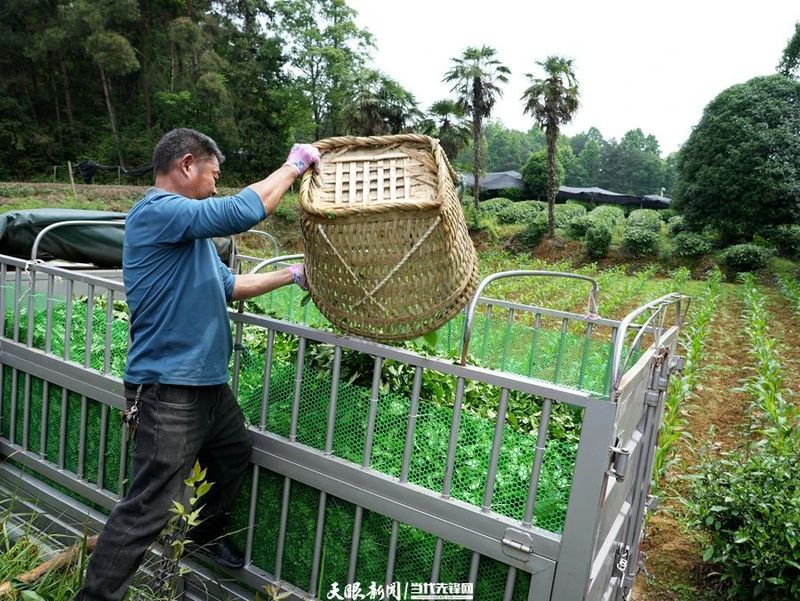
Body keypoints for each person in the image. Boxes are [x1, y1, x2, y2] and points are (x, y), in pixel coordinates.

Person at [75, 128, 320, 601]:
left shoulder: (188, 236)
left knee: (231, 454)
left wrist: (291, 275)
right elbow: (242, 211)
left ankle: (203, 537)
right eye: (213, 174)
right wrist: (294, 165)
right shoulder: (157, 211)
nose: (216, 183)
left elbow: (228, 286)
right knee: (147, 508)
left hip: (208, 386)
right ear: (187, 165)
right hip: (168, 389)